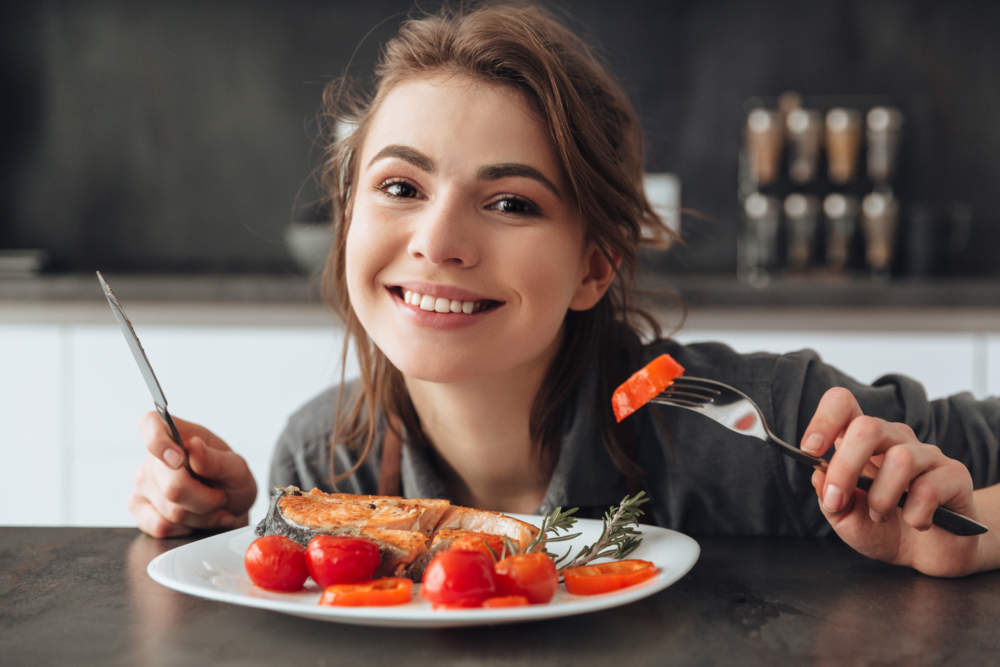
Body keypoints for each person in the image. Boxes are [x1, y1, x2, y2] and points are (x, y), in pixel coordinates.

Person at [129, 2, 1000, 577]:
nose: (437, 240)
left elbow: (959, 512)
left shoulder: (765, 419)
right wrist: (229, 544)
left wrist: (966, 538)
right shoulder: (326, 461)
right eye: (400, 187)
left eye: (510, 202)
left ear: (596, 265)